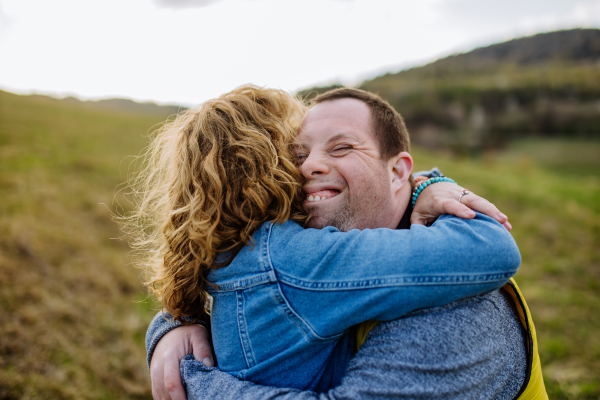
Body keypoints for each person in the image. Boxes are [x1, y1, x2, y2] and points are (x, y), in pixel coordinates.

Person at [141, 87, 542, 400]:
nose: (309, 165)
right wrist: (175, 325)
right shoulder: (300, 254)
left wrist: (196, 381)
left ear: (398, 171)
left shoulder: (457, 306)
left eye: (342, 147)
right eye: (296, 154)